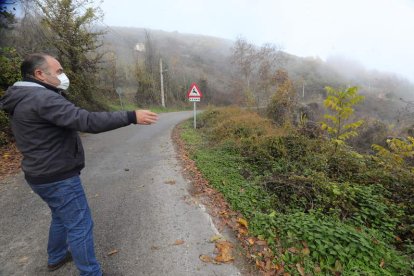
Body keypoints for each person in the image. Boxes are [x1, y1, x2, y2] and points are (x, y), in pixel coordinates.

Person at [0, 53, 158, 275]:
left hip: (39, 173)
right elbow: (86, 121)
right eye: (58, 71)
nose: (63, 76)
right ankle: (90, 272)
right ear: (39, 74)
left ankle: (56, 257)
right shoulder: (43, 98)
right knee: (80, 225)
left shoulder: (23, 96)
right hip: (57, 176)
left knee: (60, 215)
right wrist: (131, 116)